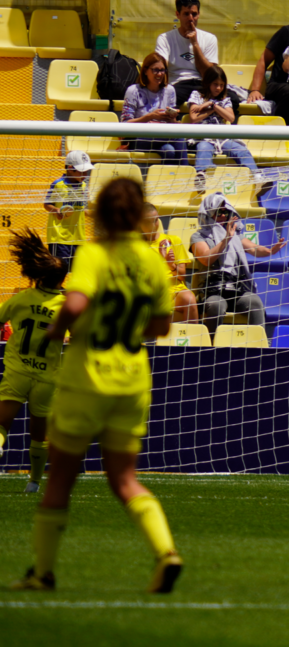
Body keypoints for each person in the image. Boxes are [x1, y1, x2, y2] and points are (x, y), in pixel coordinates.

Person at [10, 178, 182, 593]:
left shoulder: (94, 254)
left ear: (100, 212)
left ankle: (42, 573)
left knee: (60, 479)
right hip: (133, 379)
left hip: (87, 376)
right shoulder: (152, 261)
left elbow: (75, 302)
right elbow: (161, 326)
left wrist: (58, 330)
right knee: (124, 478)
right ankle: (166, 552)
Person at [0, 230, 67, 493]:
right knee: (39, 435)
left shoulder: (20, 299)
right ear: (62, 279)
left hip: (17, 371)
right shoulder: (65, 305)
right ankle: (34, 482)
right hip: (47, 377)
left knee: (2, 424)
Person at [190, 193, 285, 335]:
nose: (223, 215)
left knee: (255, 303)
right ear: (209, 212)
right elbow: (206, 258)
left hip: (235, 287)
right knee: (217, 304)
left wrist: (270, 251)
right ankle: (208, 344)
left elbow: (253, 248)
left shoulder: (236, 235)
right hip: (212, 289)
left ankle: (257, 346)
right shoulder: (198, 236)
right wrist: (226, 239)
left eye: (226, 212)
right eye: (219, 211)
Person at [154, 0, 233, 112]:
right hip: (178, 84)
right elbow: (160, 67)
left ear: (199, 15)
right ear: (178, 15)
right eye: (186, 14)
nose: (191, 18)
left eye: (194, 14)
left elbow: (208, 74)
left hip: (203, 84)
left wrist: (195, 43)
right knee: (164, 100)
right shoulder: (165, 38)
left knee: (234, 99)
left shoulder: (209, 38)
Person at [187, 65, 258, 177]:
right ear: (208, 83)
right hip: (203, 137)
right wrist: (210, 110)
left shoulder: (225, 99)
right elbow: (194, 118)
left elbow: (230, 117)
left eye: (221, 85)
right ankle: (201, 175)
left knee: (241, 150)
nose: (218, 88)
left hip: (222, 138)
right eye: (215, 84)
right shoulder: (197, 95)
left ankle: (256, 175)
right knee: (203, 148)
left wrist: (213, 106)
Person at [120, 52, 186, 165]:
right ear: (145, 71)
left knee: (168, 151)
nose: (159, 74)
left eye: (162, 70)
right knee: (179, 137)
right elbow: (125, 125)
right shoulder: (133, 91)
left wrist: (171, 118)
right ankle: (187, 176)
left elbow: (172, 123)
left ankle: (168, 180)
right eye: (155, 70)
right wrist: (149, 117)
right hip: (140, 138)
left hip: (163, 135)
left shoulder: (169, 90)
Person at [141, 203, 198, 324]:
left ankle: (192, 340)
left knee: (190, 299)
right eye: (149, 221)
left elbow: (182, 275)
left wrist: (169, 264)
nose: (154, 225)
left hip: (175, 291)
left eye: (156, 220)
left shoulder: (173, 240)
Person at [44, 151, 92, 270]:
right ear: (70, 168)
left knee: (77, 270)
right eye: (82, 171)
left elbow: (81, 209)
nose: (85, 174)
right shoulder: (58, 184)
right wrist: (56, 210)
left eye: (86, 171)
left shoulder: (83, 186)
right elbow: (47, 204)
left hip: (78, 237)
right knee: (59, 270)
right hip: (60, 237)